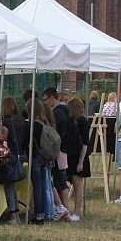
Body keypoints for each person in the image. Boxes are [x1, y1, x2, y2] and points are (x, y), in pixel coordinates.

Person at [42, 87, 76, 222]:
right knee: (60, 181)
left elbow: (57, 135)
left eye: (45, 100)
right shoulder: (65, 112)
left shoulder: (57, 114)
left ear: (52, 98)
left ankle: (64, 211)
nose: (44, 103)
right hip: (63, 151)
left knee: (59, 182)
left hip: (59, 151)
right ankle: (64, 210)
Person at [0, 97, 28, 224]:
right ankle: (16, 213)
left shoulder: (6, 122)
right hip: (20, 154)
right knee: (13, 186)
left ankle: (13, 215)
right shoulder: (22, 120)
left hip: (10, 155)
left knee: (9, 186)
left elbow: (4, 139)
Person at [28, 99, 55, 224]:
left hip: (36, 157)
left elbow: (27, 143)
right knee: (47, 186)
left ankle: (39, 214)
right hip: (46, 156)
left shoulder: (33, 125)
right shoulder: (45, 122)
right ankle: (48, 213)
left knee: (38, 187)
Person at [66, 98, 91, 219]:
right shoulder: (70, 120)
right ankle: (73, 211)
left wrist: (80, 162)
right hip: (72, 155)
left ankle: (76, 212)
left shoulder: (83, 121)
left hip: (80, 156)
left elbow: (85, 143)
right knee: (75, 184)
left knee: (77, 184)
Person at [102, 92, 118, 157]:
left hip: (106, 121)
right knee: (113, 138)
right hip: (114, 122)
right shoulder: (116, 105)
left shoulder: (105, 105)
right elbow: (118, 114)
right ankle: (113, 151)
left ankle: (106, 150)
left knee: (107, 137)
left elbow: (103, 113)